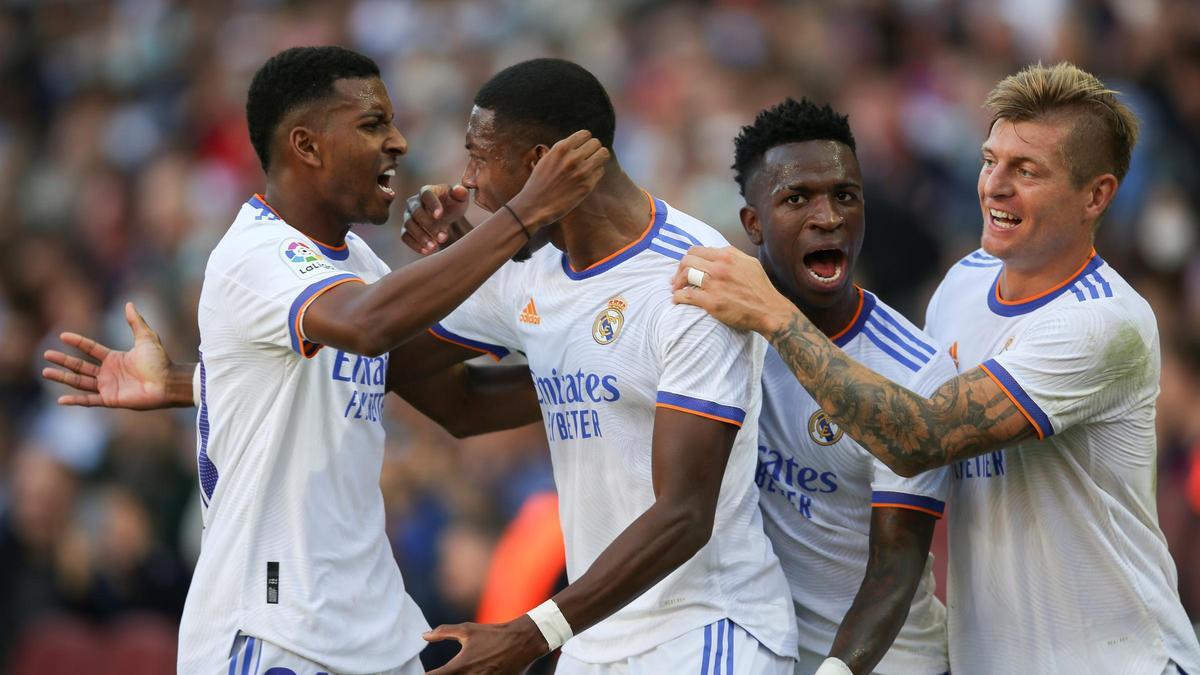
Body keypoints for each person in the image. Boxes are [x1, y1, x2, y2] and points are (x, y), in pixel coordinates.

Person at [47, 57, 799, 675]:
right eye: (374, 123)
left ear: (538, 164)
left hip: (676, 627)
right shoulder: (260, 255)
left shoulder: (694, 280)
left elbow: (454, 396)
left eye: (478, 156)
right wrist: (512, 224)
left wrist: (192, 380)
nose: (414, 151)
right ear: (307, 146)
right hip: (272, 626)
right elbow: (381, 340)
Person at [672, 62, 1200, 674]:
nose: (994, 186)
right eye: (989, 160)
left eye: (1026, 171)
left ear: (1096, 195)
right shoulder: (965, 283)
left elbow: (917, 437)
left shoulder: (1104, 323)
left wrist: (775, 315)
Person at [730, 98, 954, 675]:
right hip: (764, 651)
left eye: (845, 195)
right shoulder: (721, 331)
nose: (828, 217)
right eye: (796, 198)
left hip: (884, 662)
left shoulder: (915, 373)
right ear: (752, 223)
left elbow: (896, 568)